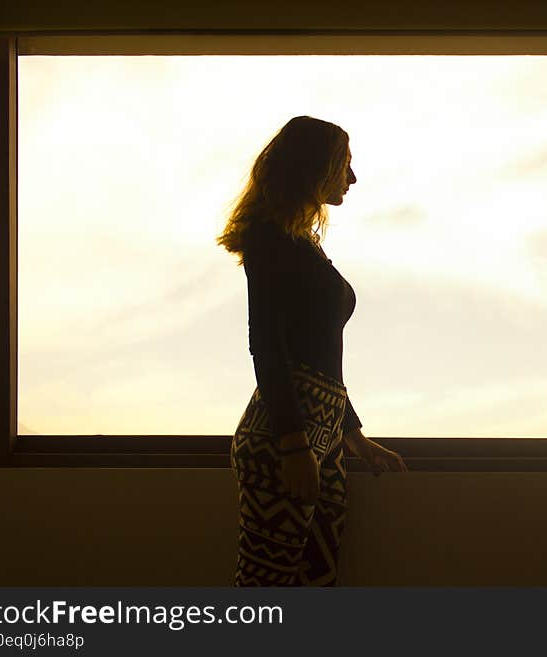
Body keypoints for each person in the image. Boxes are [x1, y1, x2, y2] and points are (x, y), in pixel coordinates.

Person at [218, 116, 407, 586]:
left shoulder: (303, 243)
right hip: (287, 440)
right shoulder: (270, 237)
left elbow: (322, 352)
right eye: (345, 164)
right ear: (315, 167)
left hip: (320, 438)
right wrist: (293, 445)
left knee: (313, 584)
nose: (353, 177)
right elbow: (266, 343)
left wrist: (353, 436)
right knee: (268, 587)